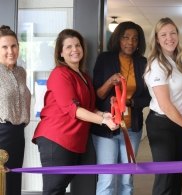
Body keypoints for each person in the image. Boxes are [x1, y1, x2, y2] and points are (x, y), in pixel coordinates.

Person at [32, 29, 118, 195]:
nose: (75, 50)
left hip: (74, 139)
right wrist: (102, 121)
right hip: (56, 137)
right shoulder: (59, 74)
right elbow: (72, 109)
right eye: (69, 46)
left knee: (60, 187)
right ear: (61, 53)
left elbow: (87, 107)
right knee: (54, 189)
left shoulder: (83, 75)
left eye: (77, 45)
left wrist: (103, 115)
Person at [91, 21, 150, 195]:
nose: (130, 42)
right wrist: (110, 82)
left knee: (127, 180)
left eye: (135, 39)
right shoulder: (105, 59)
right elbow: (97, 95)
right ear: (118, 39)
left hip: (132, 129)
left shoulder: (143, 62)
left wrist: (130, 102)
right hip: (106, 129)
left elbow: (147, 97)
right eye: (125, 37)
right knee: (107, 179)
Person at [144, 17, 182, 195]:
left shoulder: (180, 60)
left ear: (178, 35)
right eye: (164, 34)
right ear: (157, 39)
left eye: (173, 33)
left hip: (178, 122)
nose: (169, 38)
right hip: (162, 124)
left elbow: (179, 86)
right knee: (166, 178)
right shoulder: (157, 64)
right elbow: (166, 105)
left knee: (177, 175)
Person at [0, 25, 31, 195]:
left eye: (14, 46)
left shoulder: (21, 72)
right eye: (4, 47)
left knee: (13, 183)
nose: (10, 51)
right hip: (1, 133)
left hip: (18, 135)